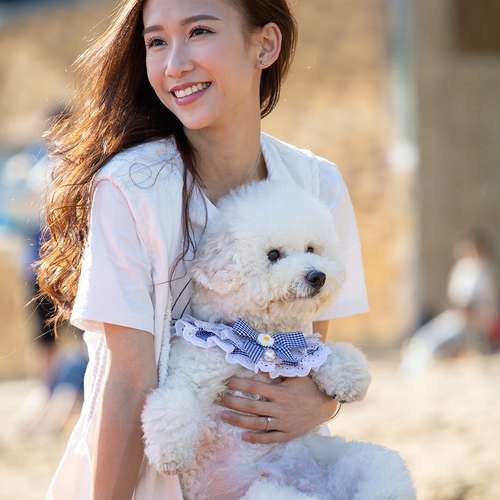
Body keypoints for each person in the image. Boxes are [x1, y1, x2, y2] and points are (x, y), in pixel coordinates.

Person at [37, 1, 368, 498]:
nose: (175, 64)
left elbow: (307, 351)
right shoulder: (131, 188)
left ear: (265, 45)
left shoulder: (316, 183)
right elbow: (127, 386)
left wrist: (323, 404)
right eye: (156, 41)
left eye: (199, 32)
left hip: (277, 478)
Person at [400, 229, 498, 377]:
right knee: (422, 342)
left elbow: (466, 306)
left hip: (466, 324)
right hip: (464, 322)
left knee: (422, 343)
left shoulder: (474, 269)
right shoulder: (472, 268)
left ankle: (412, 372)